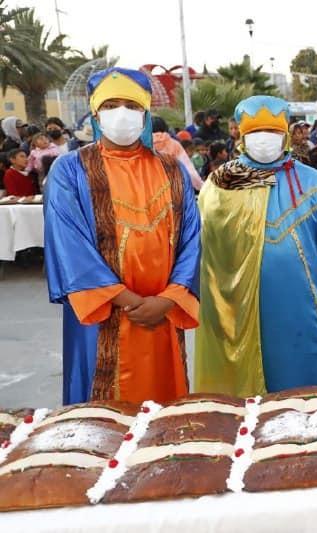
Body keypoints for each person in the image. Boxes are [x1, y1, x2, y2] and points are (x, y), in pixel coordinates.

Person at [43, 67, 200, 404]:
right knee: (102, 426)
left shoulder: (172, 169)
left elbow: (191, 240)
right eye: (111, 104)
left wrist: (168, 299)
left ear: (145, 113)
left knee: (163, 415)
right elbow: (70, 246)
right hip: (104, 315)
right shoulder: (70, 170)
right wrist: (129, 301)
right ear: (96, 113)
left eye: (131, 105)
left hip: (163, 313)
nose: (122, 114)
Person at [195, 95, 317, 395]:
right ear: (242, 136)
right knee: (246, 405)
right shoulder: (222, 182)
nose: (264, 139)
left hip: (304, 308)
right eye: (256, 132)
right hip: (240, 308)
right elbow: (204, 245)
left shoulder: (312, 182)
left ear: (285, 134)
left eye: (272, 132)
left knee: (309, 395)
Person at [152, 115, 203, 190]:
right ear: (165, 128)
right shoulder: (174, 145)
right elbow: (189, 171)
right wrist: (202, 187)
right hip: (172, 191)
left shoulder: (139, 146)